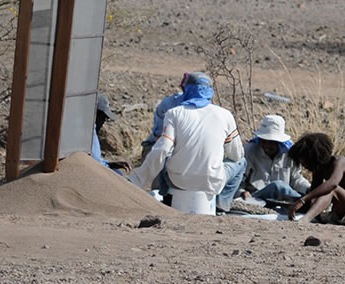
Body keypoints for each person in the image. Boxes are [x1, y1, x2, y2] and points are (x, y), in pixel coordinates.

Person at [126, 73, 245, 212]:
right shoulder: (225, 115)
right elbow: (236, 155)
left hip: (178, 180)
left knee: (167, 157)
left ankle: (166, 199)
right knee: (242, 161)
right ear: (210, 92)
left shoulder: (174, 113)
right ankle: (222, 205)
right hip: (211, 182)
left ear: (186, 89)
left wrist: (138, 179)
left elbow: (162, 149)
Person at [240, 114, 311, 205]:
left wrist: (308, 189)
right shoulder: (250, 150)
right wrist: (242, 192)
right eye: (264, 141)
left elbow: (296, 178)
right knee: (278, 186)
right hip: (256, 197)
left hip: (283, 198)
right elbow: (239, 177)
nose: (266, 146)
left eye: (271, 143)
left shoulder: (290, 153)